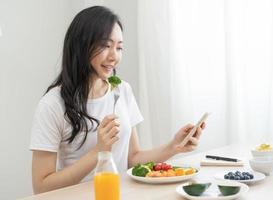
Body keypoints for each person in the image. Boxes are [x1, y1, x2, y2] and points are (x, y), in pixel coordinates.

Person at [30, 6, 205, 194]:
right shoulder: (52, 105)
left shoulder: (122, 90)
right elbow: (41, 187)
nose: (114, 56)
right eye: (106, 45)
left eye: (119, 47)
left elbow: (133, 158)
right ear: (81, 45)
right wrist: (99, 151)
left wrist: (174, 147)